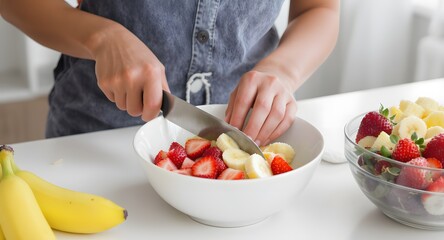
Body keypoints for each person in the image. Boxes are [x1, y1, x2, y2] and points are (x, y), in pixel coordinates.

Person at [0, 0, 339, 147]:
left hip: (249, 136)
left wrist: (283, 70)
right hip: (96, 132)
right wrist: (101, 37)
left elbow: (318, 9)